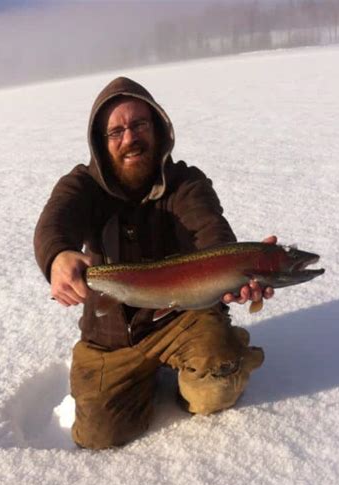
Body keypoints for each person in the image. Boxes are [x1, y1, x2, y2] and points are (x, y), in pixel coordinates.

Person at [34, 76, 274, 450]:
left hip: (181, 318)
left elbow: (210, 231)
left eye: (139, 125)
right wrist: (57, 257)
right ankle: (140, 381)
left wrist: (236, 267)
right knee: (100, 435)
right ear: (101, 142)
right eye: (116, 131)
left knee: (216, 387)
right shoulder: (82, 185)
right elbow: (55, 222)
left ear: (157, 129)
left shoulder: (186, 184)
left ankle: (227, 351)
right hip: (110, 336)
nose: (129, 138)